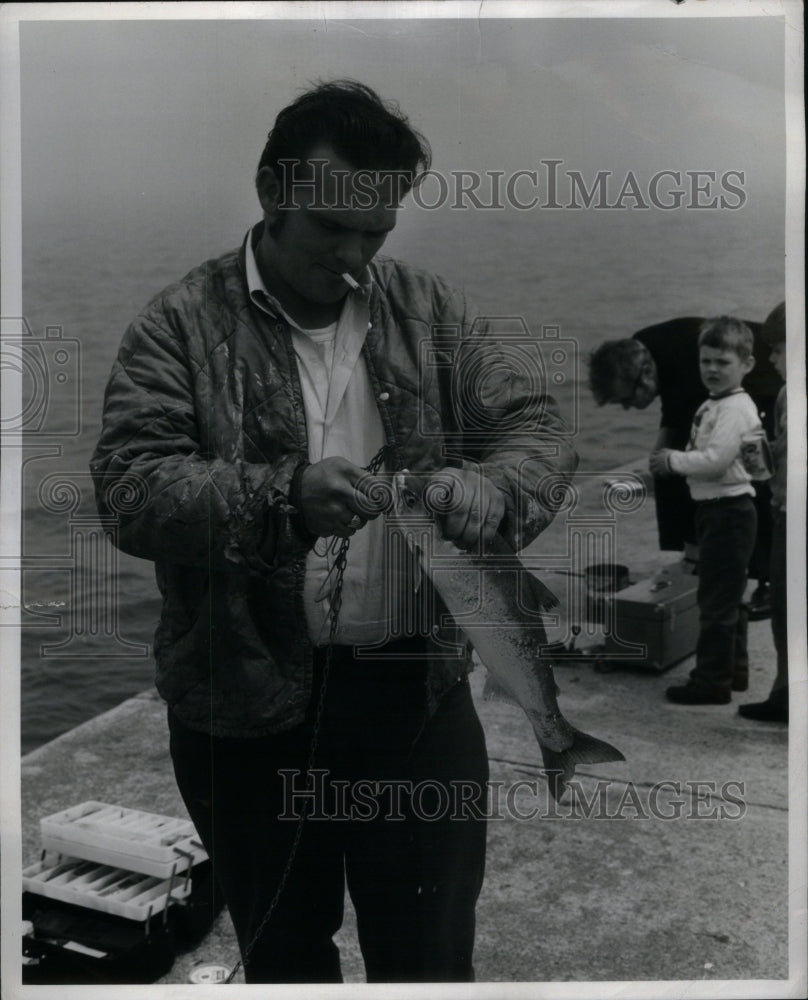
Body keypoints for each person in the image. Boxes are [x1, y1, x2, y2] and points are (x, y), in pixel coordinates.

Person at [90, 80, 577, 983]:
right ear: (273, 192)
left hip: (412, 696)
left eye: (377, 233)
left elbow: (537, 426)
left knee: (428, 956)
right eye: (331, 231)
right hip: (238, 704)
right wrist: (281, 499)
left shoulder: (429, 310)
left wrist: (494, 487)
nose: (356, 256)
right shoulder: (176, 326)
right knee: (283, 955)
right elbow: (128, 487)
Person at [588, 317, 782, 616]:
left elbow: (695, 429)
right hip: (731, 377)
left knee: (758, 479)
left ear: (644, 376)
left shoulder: (690, 366)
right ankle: (694, 555)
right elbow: (674, 405)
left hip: (769, 377)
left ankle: (770, 582)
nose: (627, 408)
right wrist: (660, 454)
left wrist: (668, 459)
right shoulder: (644, 346)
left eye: (626, 400)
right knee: (667, 465)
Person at [649, 317, 761, 705]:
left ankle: (711, 681)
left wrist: (672, 461)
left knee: (715, 602)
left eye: (722, 363)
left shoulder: (733, 408)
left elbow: (715, 460)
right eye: (705, 361)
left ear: (746, 364)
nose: (712, 369)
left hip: (728, 512)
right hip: (719, 511)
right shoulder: (719, 403)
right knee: (728, 597)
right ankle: (734, 672)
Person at [740, 302, 788, 723]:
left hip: (791, 515)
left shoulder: (792, 394)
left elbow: (785, 456)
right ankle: (784, 692)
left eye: (778, 350)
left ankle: (786, 695)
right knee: (787, 610)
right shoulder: (787, 394)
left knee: (788, 611)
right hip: (785, 509)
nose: (771, 359)